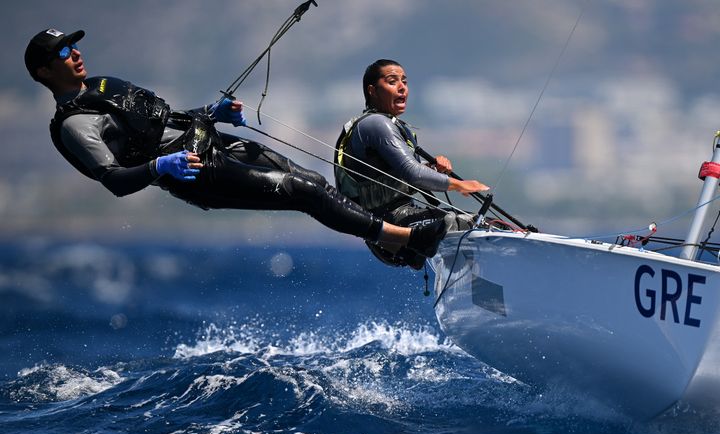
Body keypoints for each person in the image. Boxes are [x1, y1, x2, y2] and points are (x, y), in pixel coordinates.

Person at [25, 29, 447, 257]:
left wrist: (212, 112)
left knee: (308, 178)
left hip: (213, 141)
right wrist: (160, 169)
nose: (75, 53)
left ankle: (393, 237)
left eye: (74, 45)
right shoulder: (75, 125)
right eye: (63, 53)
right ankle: (402, 239)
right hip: (196, 171)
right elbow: (115, 180)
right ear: (44, 72)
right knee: (306, 191)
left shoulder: (103, 84)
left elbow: (160, 122)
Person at [334, 59, 490, 269]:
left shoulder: (387, 125)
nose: (402, 88)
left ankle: (469, 285)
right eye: (392, 81)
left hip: (395, 227)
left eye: (404, 82)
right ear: (372, 90)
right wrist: (459, 184)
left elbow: (404, 176)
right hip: (391, 229)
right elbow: (412, 174)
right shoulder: (375, 124)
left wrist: (431, 168)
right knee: (468, 226)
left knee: (480, 225)